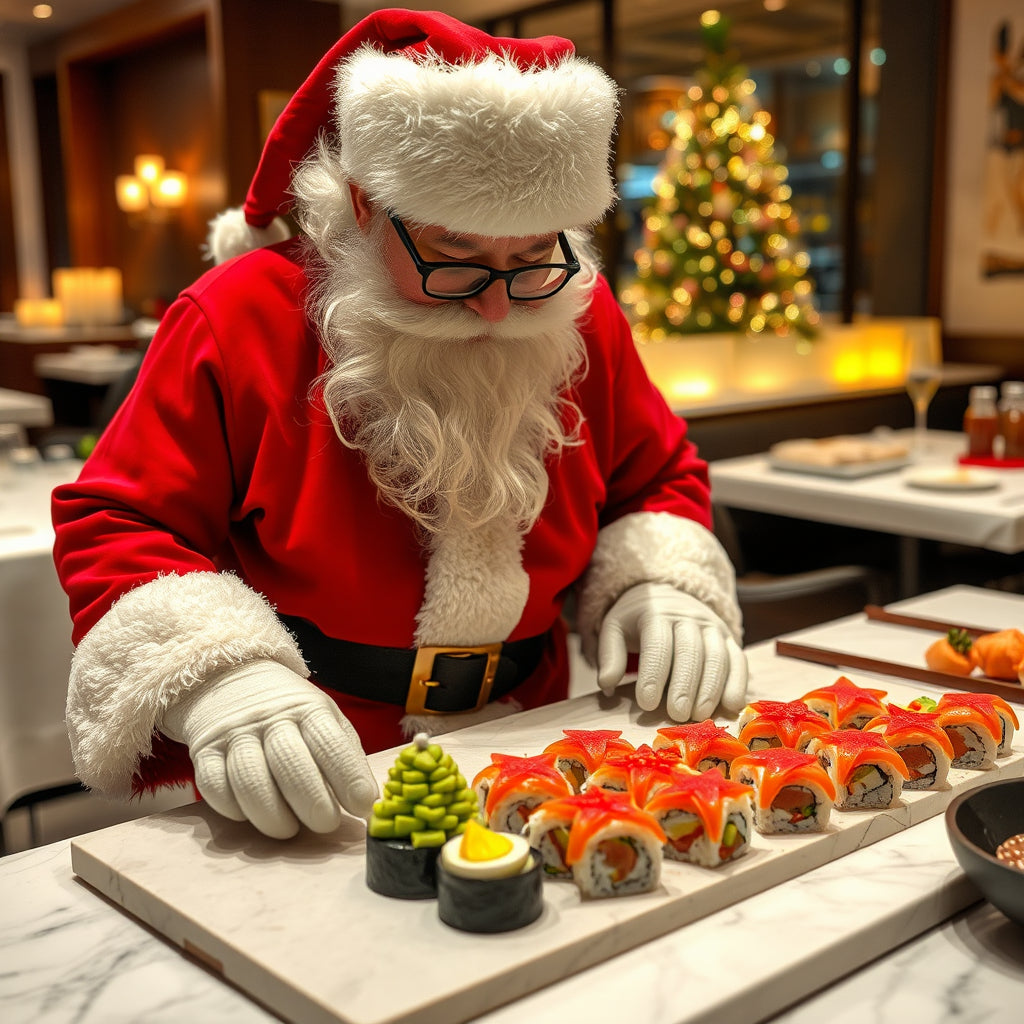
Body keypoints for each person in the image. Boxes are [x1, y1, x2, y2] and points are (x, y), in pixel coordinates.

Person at [52, 8, 747, 841]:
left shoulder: (575, 314)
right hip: (321, 755)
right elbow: (119, 520)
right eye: (454, 256)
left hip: (541, 733)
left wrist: (660, 581)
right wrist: (222, 678)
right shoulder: (238, 316)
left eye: (531, 257)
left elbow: (657, 475)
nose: (496, 302)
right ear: (361, 205)